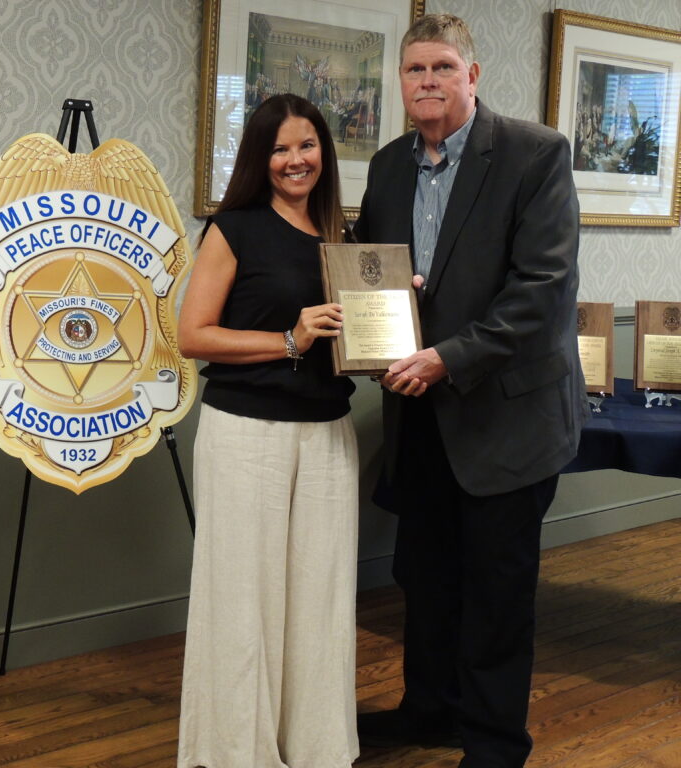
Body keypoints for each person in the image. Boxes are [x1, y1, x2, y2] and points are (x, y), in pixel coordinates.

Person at [352, 14, 587, 768]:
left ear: (473, 76)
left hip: (504, 418)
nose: (428, 83)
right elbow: (372, 271)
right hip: (418, 416)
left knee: (495, 595)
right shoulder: (388, 166)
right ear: (402, 82)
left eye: (443, 69)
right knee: (423, 577)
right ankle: (430, 712)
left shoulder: (534, 154)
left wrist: (448, 357)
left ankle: (493, 746)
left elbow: (541, 292)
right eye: (415, 70)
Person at [176, 93, 359, 768]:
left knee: (320, 599)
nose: (295, 160)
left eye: (306, 146)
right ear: (260, 157)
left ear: (324, 153)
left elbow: (354, 337)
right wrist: (290, 339)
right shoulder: (234, 227)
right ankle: (236, 754)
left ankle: (316, 749)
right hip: (246, 434)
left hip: (329, 433)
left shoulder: (342, 234)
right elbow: (191, 336)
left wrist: (394, 319)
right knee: (242, 602)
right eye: (280, 149)